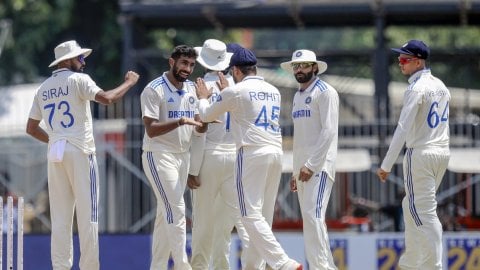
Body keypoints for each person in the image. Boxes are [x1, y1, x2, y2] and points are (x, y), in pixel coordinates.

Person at [26, 40, 139, 269]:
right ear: (67, 61)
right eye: (79, 58)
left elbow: (31, 128)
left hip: (56, 152)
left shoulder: (43, 88)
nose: (83, 61)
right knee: (89, 216)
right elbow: (107, 99)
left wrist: (58, 139)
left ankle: (60, 267)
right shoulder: (79, 79)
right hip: (80, 150)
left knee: (60, 218)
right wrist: (129, 82)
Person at [195, 47, 302, 270]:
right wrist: (227, 94)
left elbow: (205, 115)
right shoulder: (273, 90)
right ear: (254, 68)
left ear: (235, 70)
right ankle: (254, 267)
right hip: (276, 152)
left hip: (251, 152)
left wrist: (203, 98)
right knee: (263, 216)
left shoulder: (235, 91)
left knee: (248, 214)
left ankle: (283, 263)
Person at [376, 39, 450, 270]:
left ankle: (433, 265)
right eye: (399, 59)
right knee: (410, 207)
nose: (400, 63)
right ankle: (411, 264)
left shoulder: (416, 88)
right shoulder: (441, 86)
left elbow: (403, 128)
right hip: (441, 152)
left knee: (423, 212)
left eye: (405, 59)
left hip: (420, 153)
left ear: (418, 62)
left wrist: (386, 164)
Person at [188, 39, 255, 269]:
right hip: (235, 158)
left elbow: (197, 132)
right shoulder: (233, 88)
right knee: (233, 224)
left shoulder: (194, 88)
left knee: (203, 224)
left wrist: (192, 169)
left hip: (208, 157)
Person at [140, 45, 205, 270]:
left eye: (191, 64)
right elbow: (151, 129)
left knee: (164, 213)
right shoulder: (153, 89)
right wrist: (179, 122)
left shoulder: (191, 89)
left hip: (182, 156)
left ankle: (157, 266)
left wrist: (204, 121)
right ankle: (181, 264)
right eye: (184, 63)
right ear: (172, 62)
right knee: (176, 209)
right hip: (158, 155)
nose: (187, 69)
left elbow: (198, 124)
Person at [280, 49, 339, 270]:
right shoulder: (297, 95)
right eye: (296, 66)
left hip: (320, 166)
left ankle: (321, 267)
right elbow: (300, 138)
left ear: (315, 67)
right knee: (310, 219)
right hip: (303, 168)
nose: (299, 70)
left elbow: (329, 132)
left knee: (313, 216)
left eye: (304, 65)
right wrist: (297, 170)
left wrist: (311, 165)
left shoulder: (326, 92)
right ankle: (323, 266)